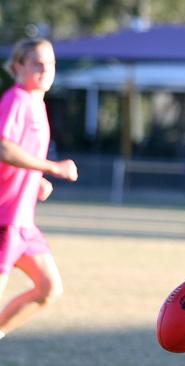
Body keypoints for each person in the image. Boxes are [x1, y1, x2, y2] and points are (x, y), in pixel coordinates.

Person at [0, 38, 78, 339]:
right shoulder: (17, 99)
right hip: (4, 221)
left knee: (48, 288)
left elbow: (17, 159)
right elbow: (4, 148)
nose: (46, 70)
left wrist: (34, 183)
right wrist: (51, 167)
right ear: (18, 66)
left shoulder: (36, 102)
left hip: (23, 223)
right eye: (37, 64)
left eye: (51, 64)